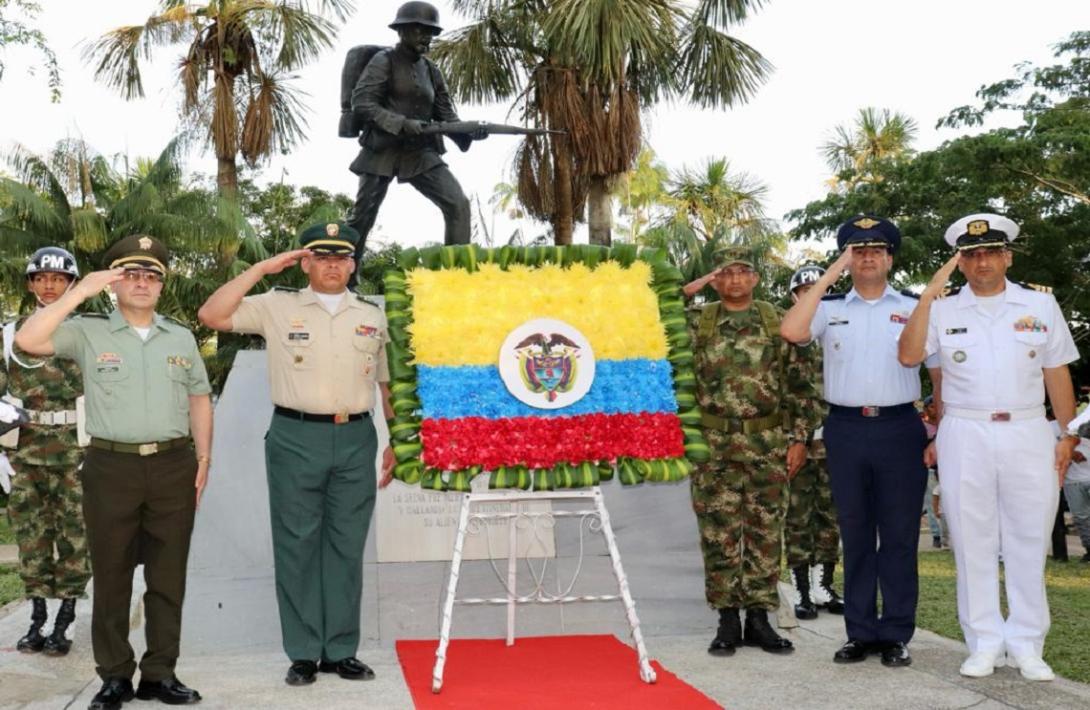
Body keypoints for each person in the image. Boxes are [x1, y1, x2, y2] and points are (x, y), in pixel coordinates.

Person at [15, 234, 213, 709]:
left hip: (173, 464)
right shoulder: (87, 330)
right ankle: (115, 676)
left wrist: (204, 458)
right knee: (112, 574)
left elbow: (199, 398)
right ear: (115, 283)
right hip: (110, 466)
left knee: (168, 576)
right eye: (132, 275)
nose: (142, 283)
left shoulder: (181, 337)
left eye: (152, 276)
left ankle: (160, 673)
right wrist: (78, 292)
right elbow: (28, 339)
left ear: (162, 286)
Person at [198, 222, 395, 687]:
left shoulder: (371, 314)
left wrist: (398, 442)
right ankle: (305, 652)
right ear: (305, 263)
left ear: (352, 264)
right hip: (295, 435)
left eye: (341, 258)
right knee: (297, 545)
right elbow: (212, 315)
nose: (332, 265)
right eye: (322, 257)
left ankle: (341, 650)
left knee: (347, 546)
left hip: (355, 438)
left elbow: (387, 385)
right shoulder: (276, 305)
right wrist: (263, 269)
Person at [898, 213, 1079, 681]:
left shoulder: (1040, 305)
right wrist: (927, 296)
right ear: (961, 263)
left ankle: (1027, 643)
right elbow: (914, 359)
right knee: (971, 539)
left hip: (1027, 429)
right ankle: (982, 641)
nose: (983, 262)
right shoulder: (942, 309)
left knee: (1029, 538)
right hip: (965, 430)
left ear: (1007, 256)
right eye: (972, 255)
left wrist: (1069, 433)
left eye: (991, 253)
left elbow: (1057, 372)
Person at [781, 216, 934, 668]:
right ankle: (860, 632)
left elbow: (937, 369)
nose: (867, 257)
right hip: (846, 429)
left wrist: (937, 428)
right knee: (856, 533)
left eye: (876, 250)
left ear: (889, 258)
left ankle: (896, 633)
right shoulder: (829, 306)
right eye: (857, 251)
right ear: (847, 258)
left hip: (900, 427)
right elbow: (791, 330)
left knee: (901, 536)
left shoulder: (913, 305)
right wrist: (830, 272)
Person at [683, 246, 819, 658]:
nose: (736, 280)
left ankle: (759, 617)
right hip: (714, 446)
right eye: (726, 273)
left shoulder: (778, 320)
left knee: (765, 532)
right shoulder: (697, 321)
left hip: (769, 443)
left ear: (756, 278)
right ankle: (727, 618)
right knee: (718, 534)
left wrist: (800, 439)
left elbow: (803, 384)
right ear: (714, 278)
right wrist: (687, 292)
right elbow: (647, 315)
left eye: (744, 272)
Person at [346, 1, 486, 275]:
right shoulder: (383, 61)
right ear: (403, 30)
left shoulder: (432, 71)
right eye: (421, 31)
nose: (427, 38)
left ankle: (456, 278)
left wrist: (469, 132)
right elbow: (362, 102)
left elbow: (447, 116)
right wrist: (401, 123)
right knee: (362, 217)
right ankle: (346, 279)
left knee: (458, 204)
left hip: (420, 152)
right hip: (382, 150)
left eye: (431, 33)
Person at [2, 247, 90, 656]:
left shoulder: (89, 332)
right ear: (31, 284)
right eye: (41, 278)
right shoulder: (8, 334)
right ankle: (36, 617)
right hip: (23, 451)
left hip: (76, 451)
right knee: (32, 537)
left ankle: (66, 620)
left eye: (58, 279)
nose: (50, 285)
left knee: (75, 536)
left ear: (72, 284)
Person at [782, 265, 844, 620]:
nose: (811, 295)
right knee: (798, 517)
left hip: (836, 440)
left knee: (830, 515)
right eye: (804, 291)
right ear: (795, 297)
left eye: (817, 289)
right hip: (798, 440)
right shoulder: (788, 338)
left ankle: (824, 586)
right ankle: (801, 590)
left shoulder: (843, 330)